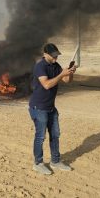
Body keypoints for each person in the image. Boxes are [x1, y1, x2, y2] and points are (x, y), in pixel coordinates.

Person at [29, 43, 77, 175]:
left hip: (51, 108)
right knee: (40, 137)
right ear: (45, 54)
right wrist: (62, 74)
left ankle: (55, 161)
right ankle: (38, 163)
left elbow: (67, 80)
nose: (56, 58)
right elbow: (47, 84)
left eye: (57, 55)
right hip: (38, 108)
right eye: (53, 56)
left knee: (55, 135)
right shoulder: (40, 66)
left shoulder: (56, 66)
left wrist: (70, 73)